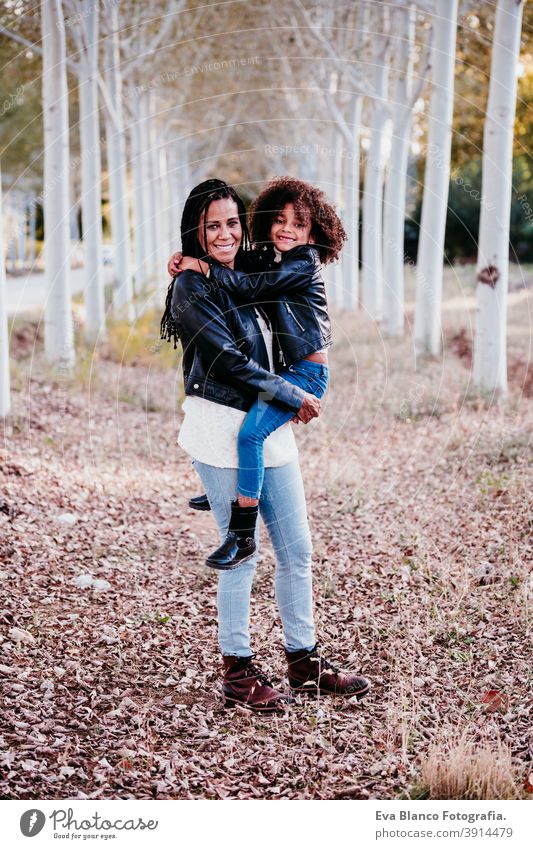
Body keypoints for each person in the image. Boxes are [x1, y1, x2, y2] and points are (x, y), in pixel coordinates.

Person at [161, 178, 370, 712]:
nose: (226, 233)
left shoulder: (249, 267)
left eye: (233, 222)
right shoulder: (191, 289)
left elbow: (281, 258)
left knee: (297, 549)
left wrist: (288, 392)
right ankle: (237, 670)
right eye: (213, 226)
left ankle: (304, 662)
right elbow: (229, 362)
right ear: (196, 231)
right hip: (219, 427)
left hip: (264, 422)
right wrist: (290, 391)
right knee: (244, 555)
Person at [172, 177, 345, 570]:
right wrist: (185, 259)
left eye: (298, 224)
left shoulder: (303, 262)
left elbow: (249, 286)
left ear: (314, 232)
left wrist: (199, 265)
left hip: (306, 374)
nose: (287, 229)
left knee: (251, 433)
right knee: (235, 429)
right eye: (279, 220)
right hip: (289, 371)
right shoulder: (274, 256)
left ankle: (243, 531)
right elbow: (234, 261)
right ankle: (219, 489)